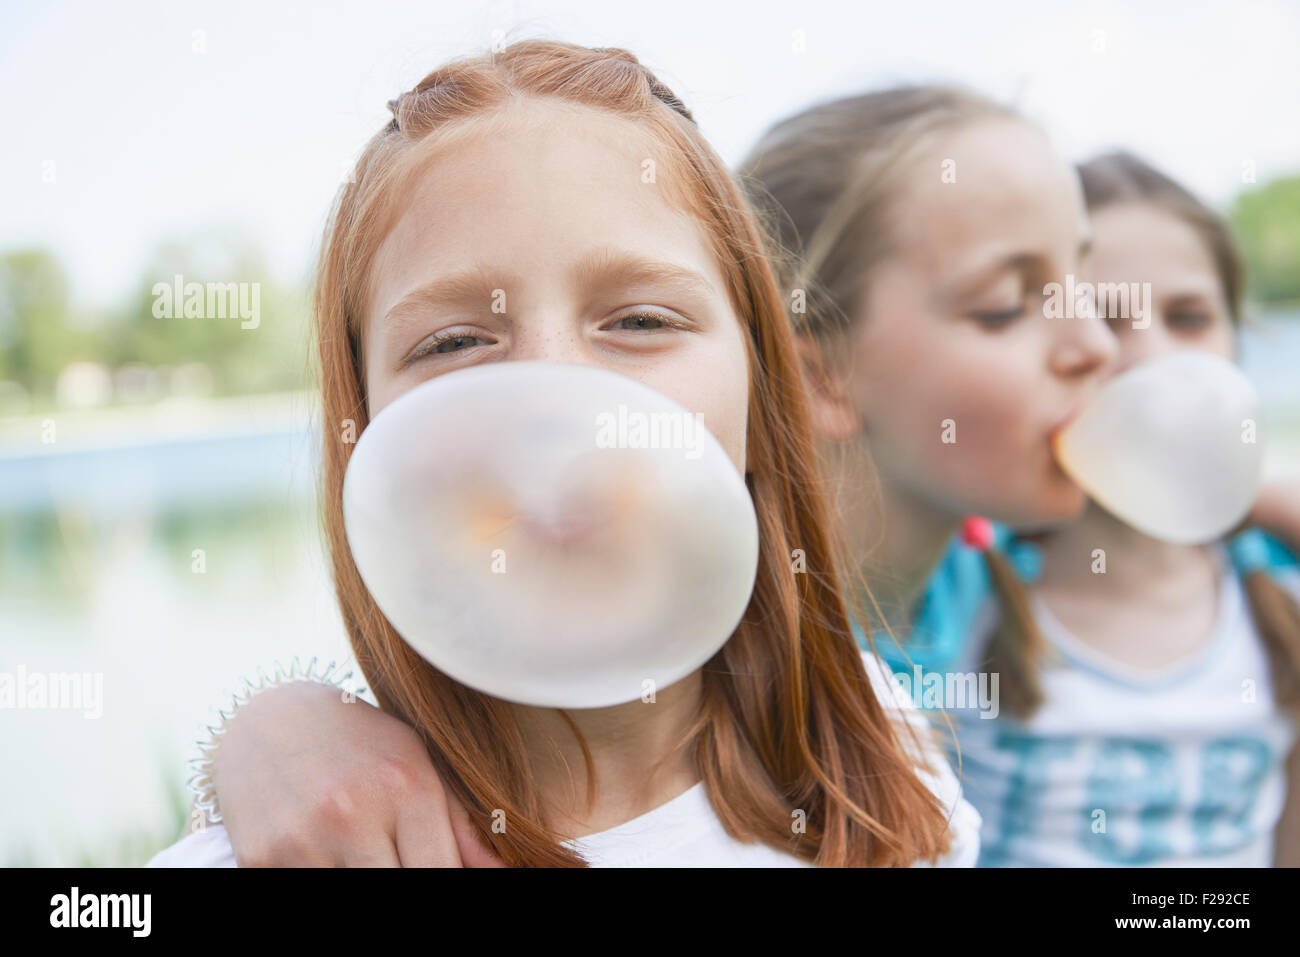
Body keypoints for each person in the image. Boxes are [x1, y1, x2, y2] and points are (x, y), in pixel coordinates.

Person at [183, 83, 1122, 867]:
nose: (557, 392)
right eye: (456, 340)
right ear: (364, 433)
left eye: (639, 321)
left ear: (769, 392)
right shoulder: (315, 840)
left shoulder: (882, 772)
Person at [880, 152, 1300, 866]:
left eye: (1190, 317)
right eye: (1106, 316)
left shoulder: (1277, 597)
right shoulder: (960, 591)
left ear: (1236, 340)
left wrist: (1251, 496)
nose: (1150, 357)